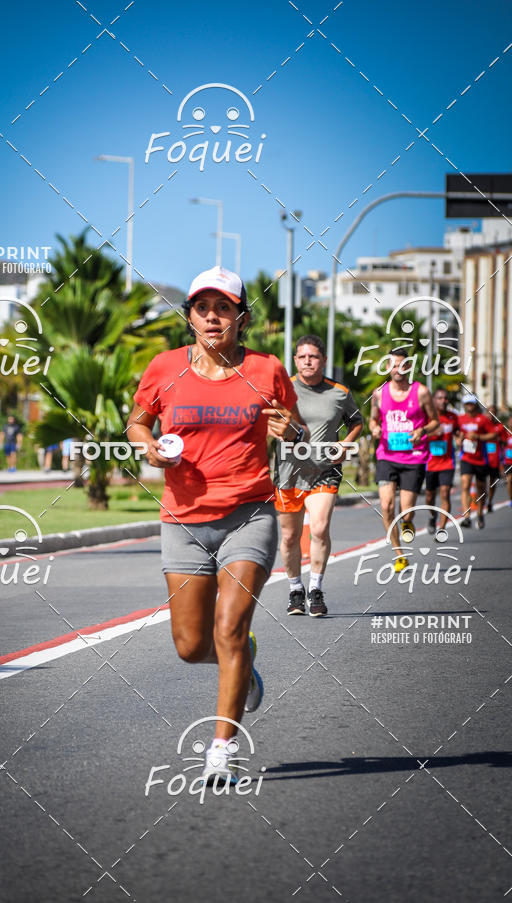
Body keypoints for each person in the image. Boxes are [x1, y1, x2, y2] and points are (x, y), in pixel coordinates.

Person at [126, 266, 305, 785]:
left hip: (248, 514)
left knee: (229, 627)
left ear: (240, 318)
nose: (212, 316)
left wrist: (288, 429)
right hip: (182, 520)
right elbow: (138, 421)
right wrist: (149, 448)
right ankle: (244, 664)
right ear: (190, 318)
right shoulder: (163, 368)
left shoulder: (268, 369)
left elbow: (293, 428)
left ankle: (221, 748)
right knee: (189, 646)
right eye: (203, 307)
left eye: (223, 307)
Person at [273, 335, 363, 616]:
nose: (307, 361)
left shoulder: (339, 393)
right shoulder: (283, 389)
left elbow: (357, 422)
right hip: (288, 474)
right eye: (302, 356)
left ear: (323, 360)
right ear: (295, 360)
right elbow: (268, 423)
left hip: (325, 471)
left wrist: (346, 443)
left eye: (313, 356)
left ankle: (316, 588)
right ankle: (295, 589)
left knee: (320, 528)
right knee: (289, 537)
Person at [369, 349, 439, 570]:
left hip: (414, 459)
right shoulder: (379, 393)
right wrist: (374, 429)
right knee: (387, 506)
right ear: (388, 368)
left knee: (405, 510)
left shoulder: (422, 392)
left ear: (409, 367)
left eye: (402, 365)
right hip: (386, 456)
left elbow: (435, 421)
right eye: (393, 365)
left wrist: (422, 431)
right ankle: (400, 554)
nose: (398, 369)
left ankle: (407, 523)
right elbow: (372, 420)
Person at [457, 394, 497, 529]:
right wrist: (459, 438)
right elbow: (456, 433)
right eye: (467, 403)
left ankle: (480, 513)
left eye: (471, 403)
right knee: (465, 485)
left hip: (480, 459)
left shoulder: (483, 419)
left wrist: (479, 436)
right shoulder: (460, 419)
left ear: (475, 405)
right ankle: (467, 516)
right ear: (464, 405)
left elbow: (493, 434)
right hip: (466, 457)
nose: (469, 406)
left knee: (481, 489)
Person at [424, 388, 459, 535]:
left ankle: (442, 528)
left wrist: (460, 437)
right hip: (430, 462)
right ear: (433, 400)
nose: (443, 401)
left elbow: (458, 431)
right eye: (439, 398)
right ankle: (433, 516)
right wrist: (432, 433)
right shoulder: (427, 417)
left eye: (445, 398)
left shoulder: (452, 417)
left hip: (447, 462)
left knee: (445, 493)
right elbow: (416, 435)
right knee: (429, 496)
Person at [485, 405, 507, 512]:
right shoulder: (482, 425)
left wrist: (499, 439)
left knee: (492, 482)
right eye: (489, 412)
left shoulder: (500, 427)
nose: (491, 415)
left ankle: (490, 501)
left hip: (495, 459)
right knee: (480, 482)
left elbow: (505, 441)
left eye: (493, 413)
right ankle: (481, 500)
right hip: (483, 458)